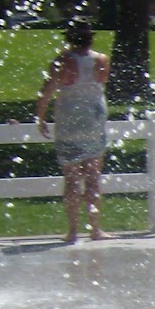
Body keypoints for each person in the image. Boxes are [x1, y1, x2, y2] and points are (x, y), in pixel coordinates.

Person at [36, 19, 111, 244]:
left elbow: (46, 91)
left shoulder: (62, 61)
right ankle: (95, 229)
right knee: (93, 176)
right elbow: (99, 83)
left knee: (71, 177)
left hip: (69, 119)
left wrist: (40, 117)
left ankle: (72, 230)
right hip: (94, 117)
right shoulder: (102, 60)